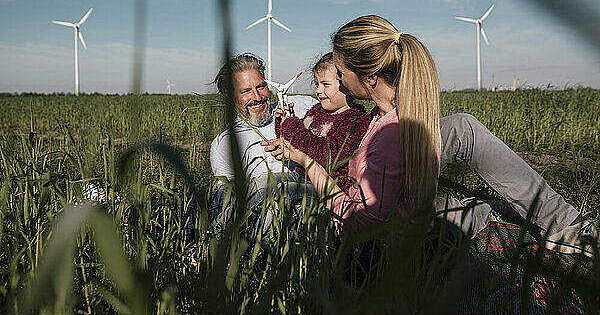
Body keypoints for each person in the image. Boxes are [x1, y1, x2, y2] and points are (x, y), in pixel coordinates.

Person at [261, 15, 598, 257]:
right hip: (405, 208)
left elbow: (362, 222)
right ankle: (539, 220)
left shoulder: (386, 133)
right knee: (475, 205)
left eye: (340, 73)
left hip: (385, 228)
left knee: (462, 189)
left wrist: (305, 159)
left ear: (372, 77)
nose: (335, 80)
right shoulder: (392, 113)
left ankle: (561, 229)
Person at [210, 53, 318, 182]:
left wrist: (301, 147)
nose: (257, 97)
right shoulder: (225, 143)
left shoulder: (306, 105)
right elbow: (227, 195)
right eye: (246, 91)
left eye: (261, 87)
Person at [274, 52, 371, 193]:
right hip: (301, 176)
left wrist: (291, 125)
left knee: (281, 192)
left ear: (347, 85)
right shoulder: (317, 110)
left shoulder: (355, 119)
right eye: (317, 84)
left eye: (325, 84)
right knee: (263, 182)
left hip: (327, 186)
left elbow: (329, 156)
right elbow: (295, 140)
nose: (318, 90)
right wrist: (283, 120)